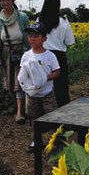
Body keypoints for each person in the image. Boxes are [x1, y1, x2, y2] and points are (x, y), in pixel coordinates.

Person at [17, 23, 60, 152]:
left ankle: (56, 141)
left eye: (36, 36)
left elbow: (57, 72)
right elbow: (23, 73)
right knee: (34, 118)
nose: (32, 39)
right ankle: (37, 140)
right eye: (30, 36)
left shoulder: (50, 56)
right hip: (32, 95)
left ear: (44, 39)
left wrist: (44, 78)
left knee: (52, 117)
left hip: (47, 93)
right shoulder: (26, 55)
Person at [0, 0, 30, 124]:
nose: (5, 3)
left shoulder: (22, 17)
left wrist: (30, 54)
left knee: (20, 80)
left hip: (20, 51)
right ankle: (18, 106)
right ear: (0, 2)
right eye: (2, 0)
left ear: (12, 1)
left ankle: (20, 112)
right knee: (8, 81)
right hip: (6, 52)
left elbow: (27, 37)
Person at [38, 0, 75, 107]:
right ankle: (62, 114)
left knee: (43, 85)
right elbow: (70, 42)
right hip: (59, 57)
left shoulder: (39, 20)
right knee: (61, 88)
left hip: (42, 56)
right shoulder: (64, 23)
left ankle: (44, 114)